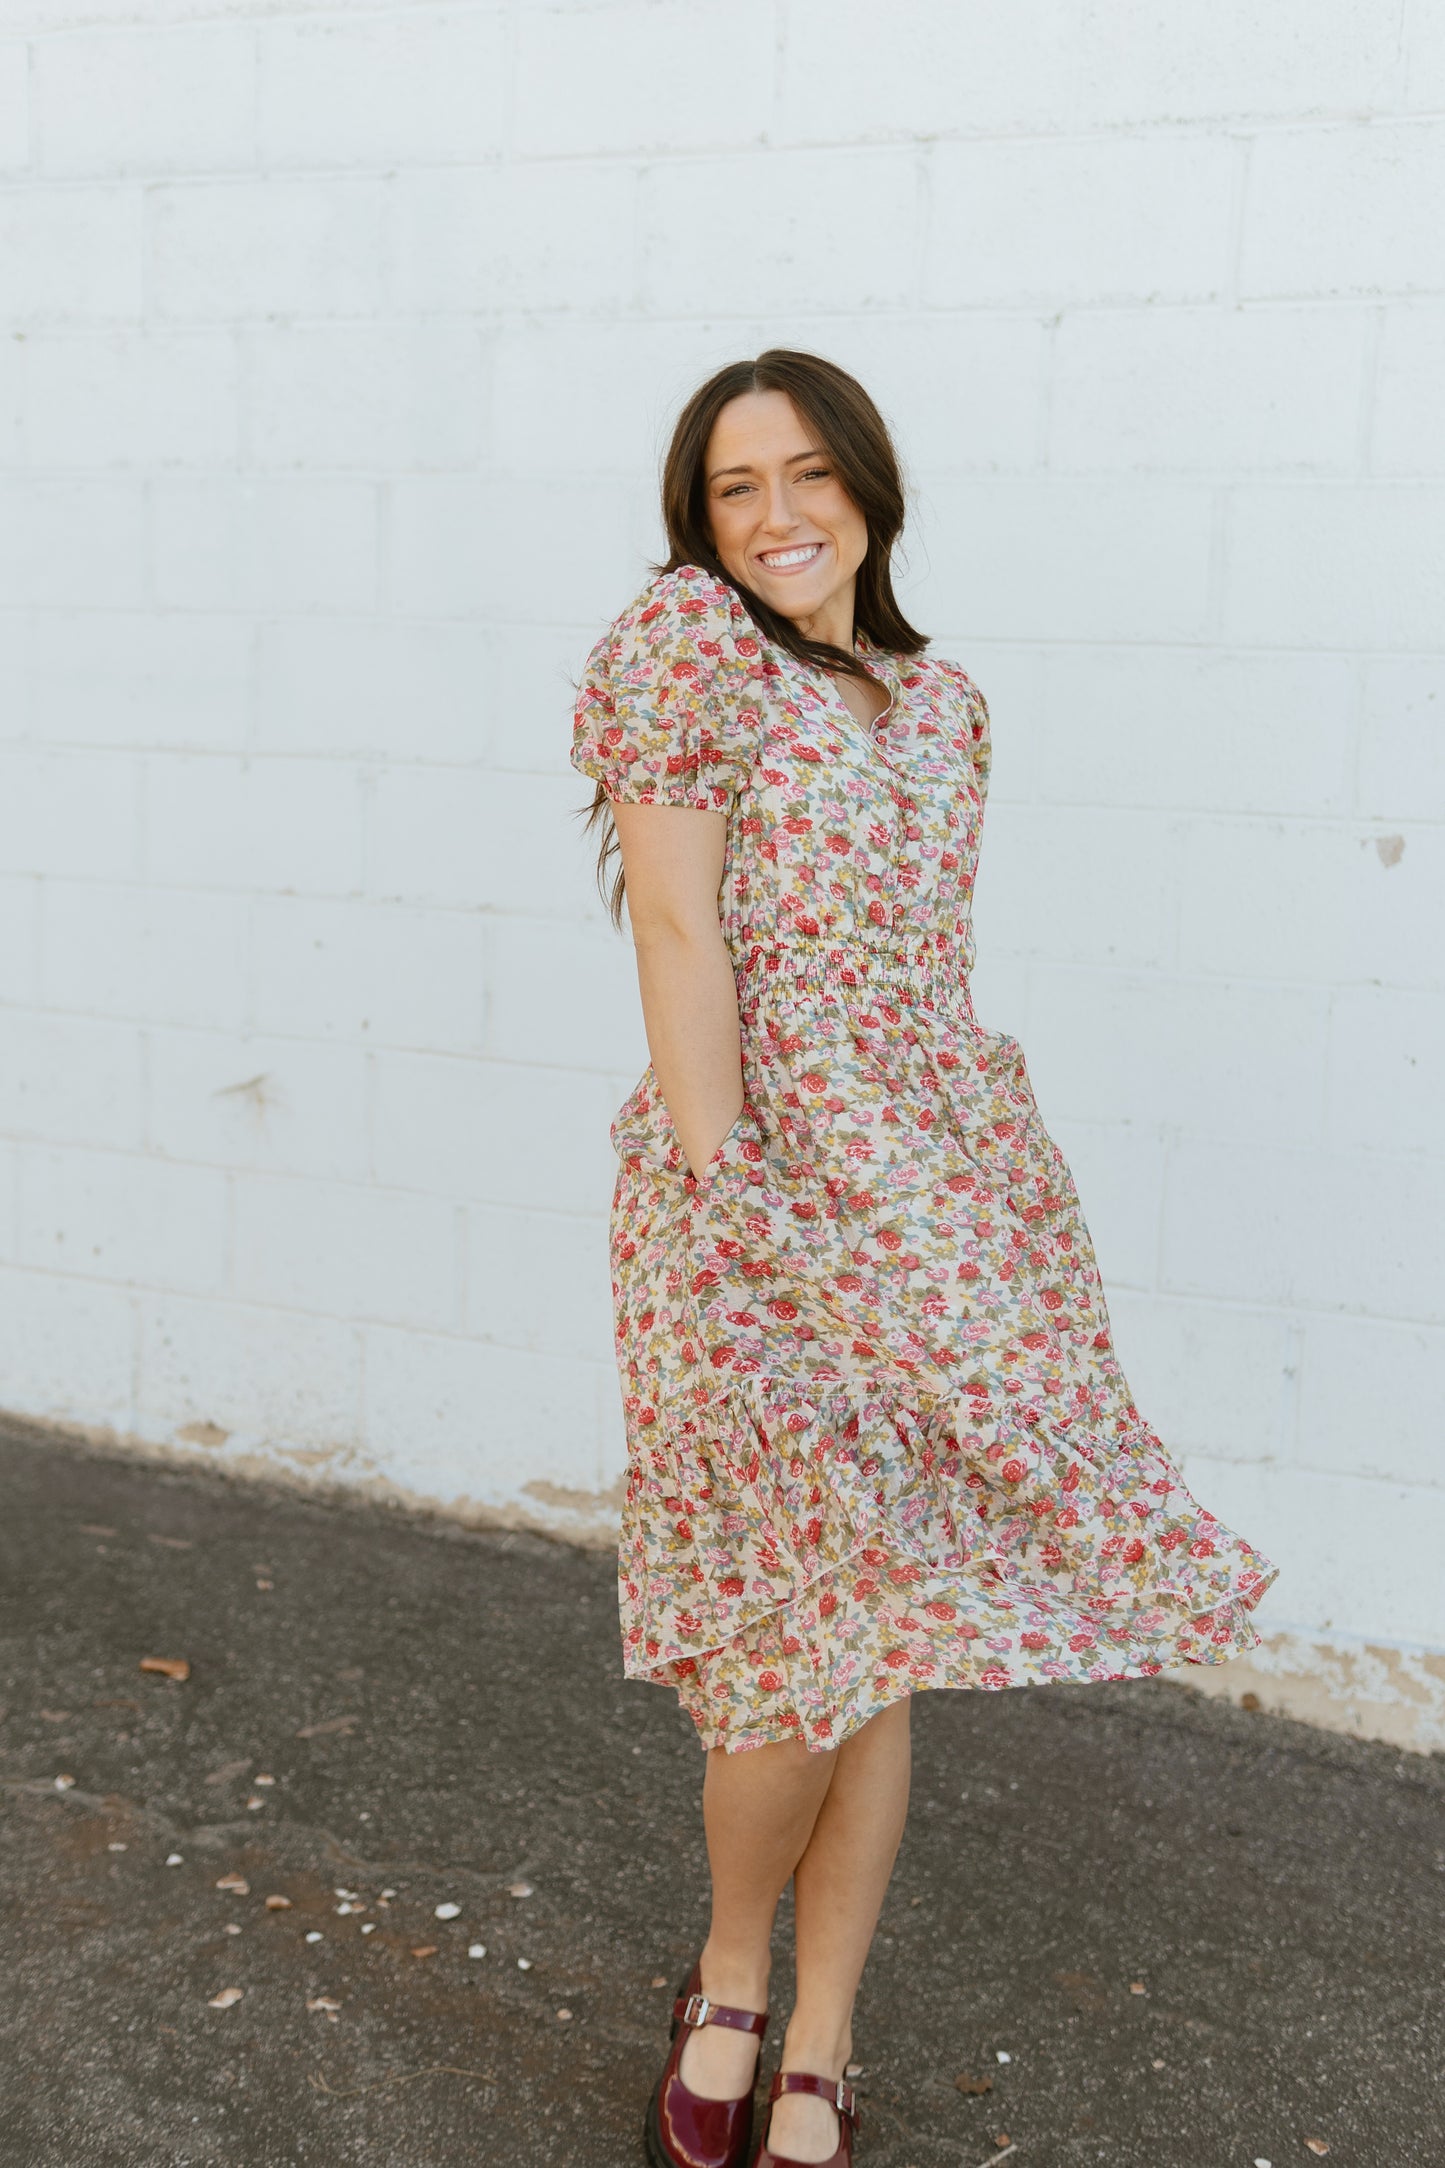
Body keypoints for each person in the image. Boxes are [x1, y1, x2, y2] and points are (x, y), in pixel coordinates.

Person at [570, 350, 1278, 2168]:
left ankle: (821, 2033)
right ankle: (730, 1974)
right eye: (736, 489)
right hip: (752, 1194)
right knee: (793, 1639)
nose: (780, 517)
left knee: (881, 1625)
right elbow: (673, 920)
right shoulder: (686, 648)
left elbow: (915, 981)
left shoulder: (941, 703)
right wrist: (737, 1200)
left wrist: (974, 1206)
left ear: (870, 488)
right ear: (695, 521)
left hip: (938, 1202)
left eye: (809, 476)